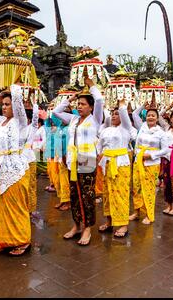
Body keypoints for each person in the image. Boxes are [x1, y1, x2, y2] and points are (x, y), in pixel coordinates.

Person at [0, 85, 31, 256]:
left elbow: (17, 99)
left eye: (8, 104)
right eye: (3, 104)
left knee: (15, 205)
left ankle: (22, 240)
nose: (4, 107)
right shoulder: (0, 121)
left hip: (15, 168)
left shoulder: (20, 121)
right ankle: (4, 239)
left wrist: (13, 85)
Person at [53, 78, 104, 246]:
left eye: (83, 104)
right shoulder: (74, 119)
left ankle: (88, 228)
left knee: (87, 195)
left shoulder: (95, 119)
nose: (80, 106)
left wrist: (91, 86)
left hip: (87, 160)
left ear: (90, 107)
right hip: (73, 161)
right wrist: (72, 98)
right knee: (74, 195)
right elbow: (56, 112)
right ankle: (76, 225)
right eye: (79, 104)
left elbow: (99, 100)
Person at [97, 98, 137, 237]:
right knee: (107, 195)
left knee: (121, 194)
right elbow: (99, 147)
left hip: (121, 164)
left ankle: (123, 224)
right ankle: (109, 221)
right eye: (112, 114)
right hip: (107, 164)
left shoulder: (127, 128)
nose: (114, 116)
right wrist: (99, 157)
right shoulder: (105, 130)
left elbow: (124, 114)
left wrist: (121, 103)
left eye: (117, 114)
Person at [130, 103, 171, 225]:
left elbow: (165, 150)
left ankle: (149, 214)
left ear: (157, 118)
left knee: (149, 190)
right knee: (136, 188)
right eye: (148, 115)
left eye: (153, 115)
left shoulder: (161, 132)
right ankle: (137, 212)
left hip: (151, 164)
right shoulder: (141, 127)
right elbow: (134, 114)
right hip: (139, 162)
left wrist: (151, 155)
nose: (151, 117)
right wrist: (143, 105)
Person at [20, 101, 39, 214]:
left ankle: (30, 209)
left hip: (29, 161)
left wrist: (34, 103)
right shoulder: (15, 127)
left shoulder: (31, 128)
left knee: (31, 186)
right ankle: (22, 208)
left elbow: (35, 119)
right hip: (18, 161)